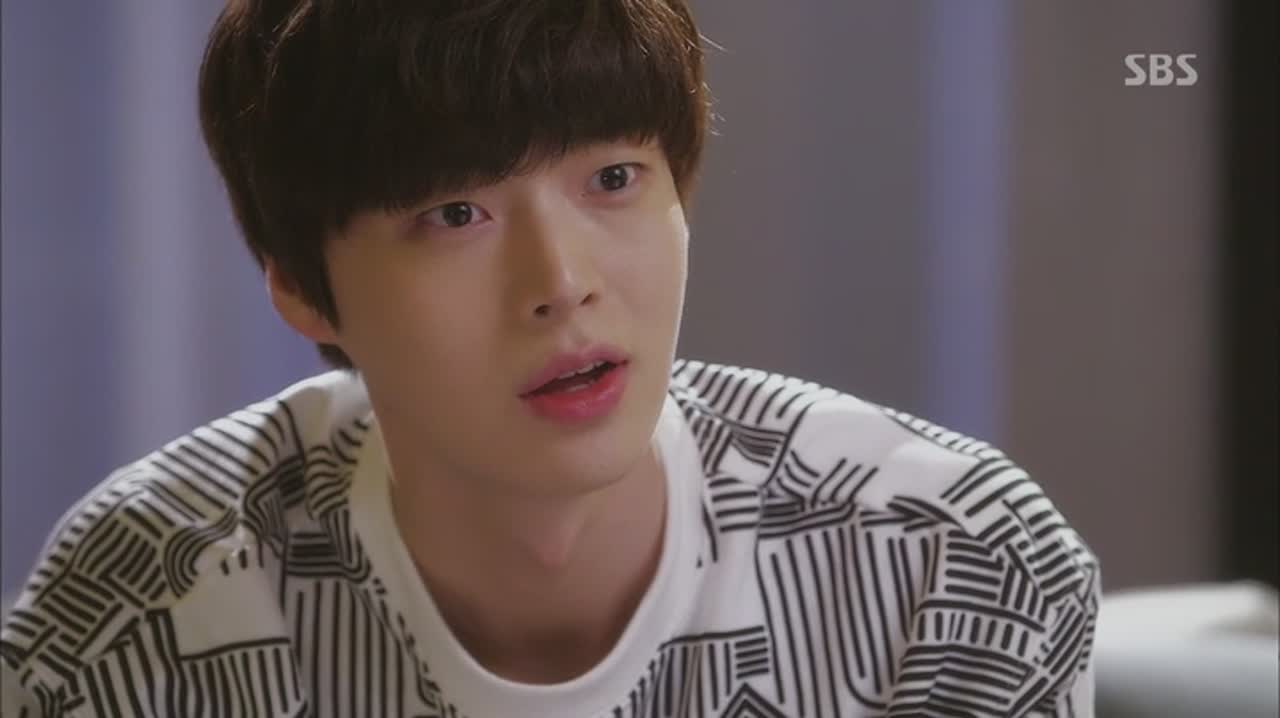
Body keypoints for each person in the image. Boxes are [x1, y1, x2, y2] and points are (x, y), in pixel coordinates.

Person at [0, 1, 1100, 716]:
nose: (561, 281)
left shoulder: (945, 564)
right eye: (455, 213)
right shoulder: (151, 602)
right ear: (298, 284)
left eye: (613, 180)